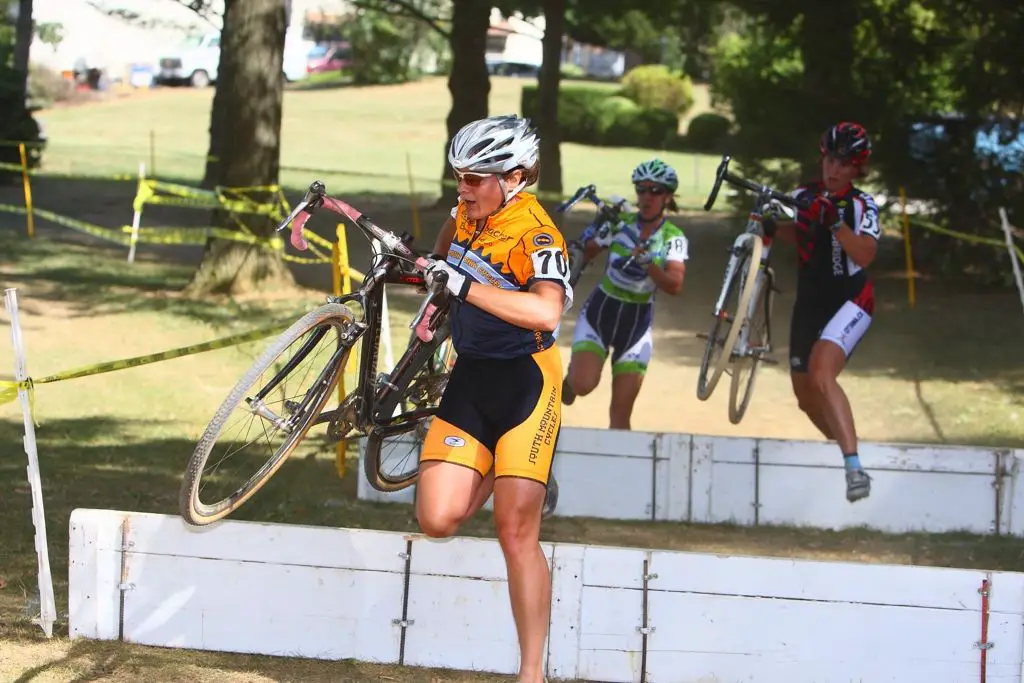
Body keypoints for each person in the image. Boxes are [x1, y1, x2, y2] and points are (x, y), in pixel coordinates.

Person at [417, 114, 573, 683]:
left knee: (514, 531)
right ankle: (510, 469)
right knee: (437, 518)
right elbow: (443, 254)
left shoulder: (538, 235)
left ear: (515, 177)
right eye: (459, 175)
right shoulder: (466, 212)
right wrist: (427, 276)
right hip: (472, 375)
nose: (463, 188)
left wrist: (465, 287)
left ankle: (531, 672)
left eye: (476, 178)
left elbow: (547, 312)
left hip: (528, 382)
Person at [760, 121, 879, 503]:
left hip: (851, 299)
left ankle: (854, 468)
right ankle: (845, 442)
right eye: (830, 159)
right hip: (810, 301)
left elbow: (865, 254)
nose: (834, 169)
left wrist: (837, 225)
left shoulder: (862, 205)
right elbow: (801, 232)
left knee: (821, 371)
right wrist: (775, 228)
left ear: (857, 169)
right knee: (806, 395)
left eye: (844, 164)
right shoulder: (803, 194)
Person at [560, 159, 688, 430]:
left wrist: (649, 265)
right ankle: (569, 383)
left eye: (655, 191)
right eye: (641, 190)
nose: (646, 197)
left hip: (636, 325)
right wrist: (599, 225)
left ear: (667, 196)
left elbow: (675, 285)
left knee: (620, 415)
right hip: (600, 312)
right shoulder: (621, 224)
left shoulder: (673, 237)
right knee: (584, 385)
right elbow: (585, 253)